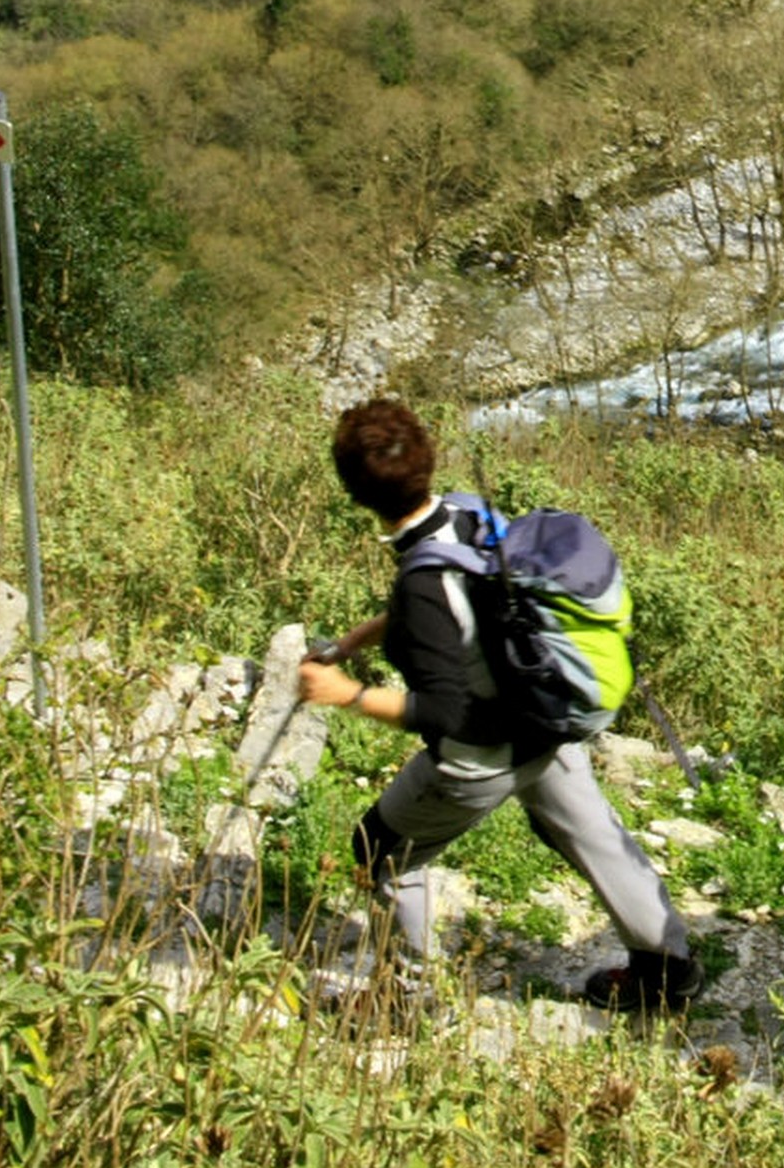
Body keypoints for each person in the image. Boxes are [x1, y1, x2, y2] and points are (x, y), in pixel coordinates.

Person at [296, 397, 699, 1012]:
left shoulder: (421, 584)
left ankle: (409, 995)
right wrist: (358, 638)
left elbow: (440, 713)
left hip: (484, 749)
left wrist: (344, 694)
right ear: (428, 461)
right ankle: (668, 969)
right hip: (545, 717)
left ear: (355, 493)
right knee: (594, 835)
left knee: (380, 851)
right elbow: (472, 590)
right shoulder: (465, 513)